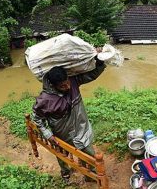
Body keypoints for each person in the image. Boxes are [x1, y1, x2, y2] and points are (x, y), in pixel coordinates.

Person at [32, 55, 106, 185]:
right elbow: (37, 118)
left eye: (67, 83)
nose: (67, 87)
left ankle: (89, 175)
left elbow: (92, 75)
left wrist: (100, 61)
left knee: (89, 154)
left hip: (81, 128)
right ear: (54, 86)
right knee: (62, 155)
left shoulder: (73, 81)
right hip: (62, 134)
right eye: (62, 86)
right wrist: (48, 134)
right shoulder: (45, 100)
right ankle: (65, 173)